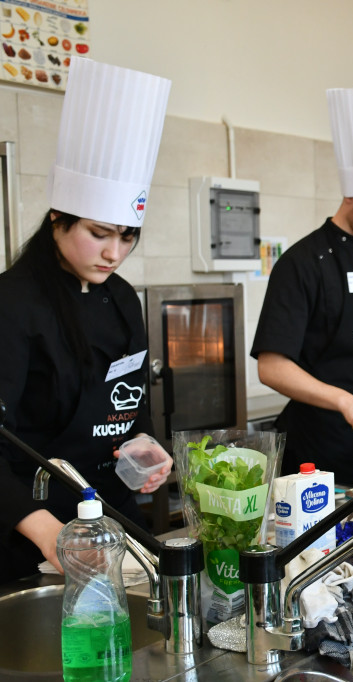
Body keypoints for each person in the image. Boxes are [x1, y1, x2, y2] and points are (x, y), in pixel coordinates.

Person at [0, 58, 174, 582]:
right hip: (29, 534)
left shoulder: (121, 298)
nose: (114, 253)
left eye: (127, 237)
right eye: (99, 234)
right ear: (58, 216)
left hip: (112, 523)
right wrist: (47, 530)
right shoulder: (13, 304)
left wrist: (143, 445)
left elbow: (129, 401)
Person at [252, 87, 353, 486]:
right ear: (349, 194)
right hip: (314, 452)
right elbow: (271, 367)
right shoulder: (302, 263)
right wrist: (342, 400)